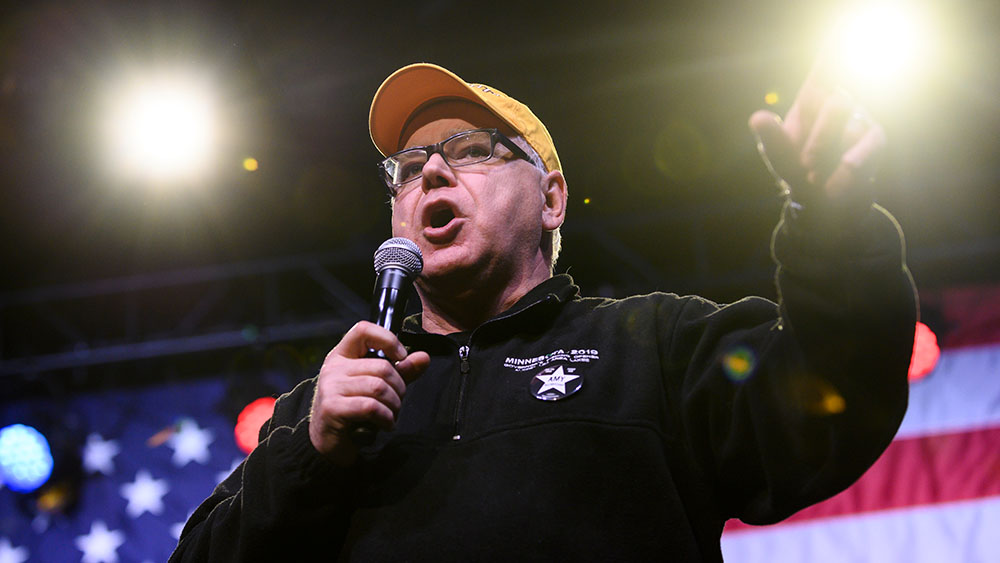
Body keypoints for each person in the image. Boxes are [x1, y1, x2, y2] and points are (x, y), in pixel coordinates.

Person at [171, 61, 916, 561]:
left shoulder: (654, 344)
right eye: (408, 168)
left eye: (473, 149)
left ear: (551, 198)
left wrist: (834, 234)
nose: (432, 170)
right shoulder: (322, 410)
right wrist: (311, 454)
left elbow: (828, 407)